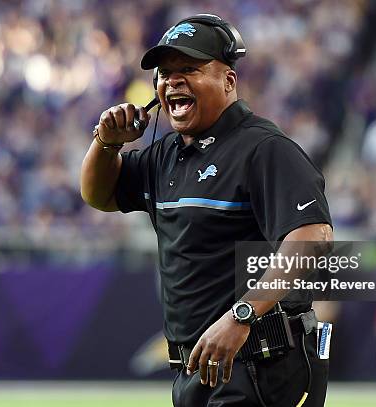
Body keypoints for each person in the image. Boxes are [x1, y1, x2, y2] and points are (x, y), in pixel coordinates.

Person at [81, 14, 333, 407]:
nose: (172, 81)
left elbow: (313, 237)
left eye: (189, 69)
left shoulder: (264, 147)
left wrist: (243, 314)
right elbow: (100, 195)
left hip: (262, 367)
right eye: (165, 74)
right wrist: (107, 142)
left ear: (228, 81)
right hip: (197, 372)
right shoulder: (165, 154)